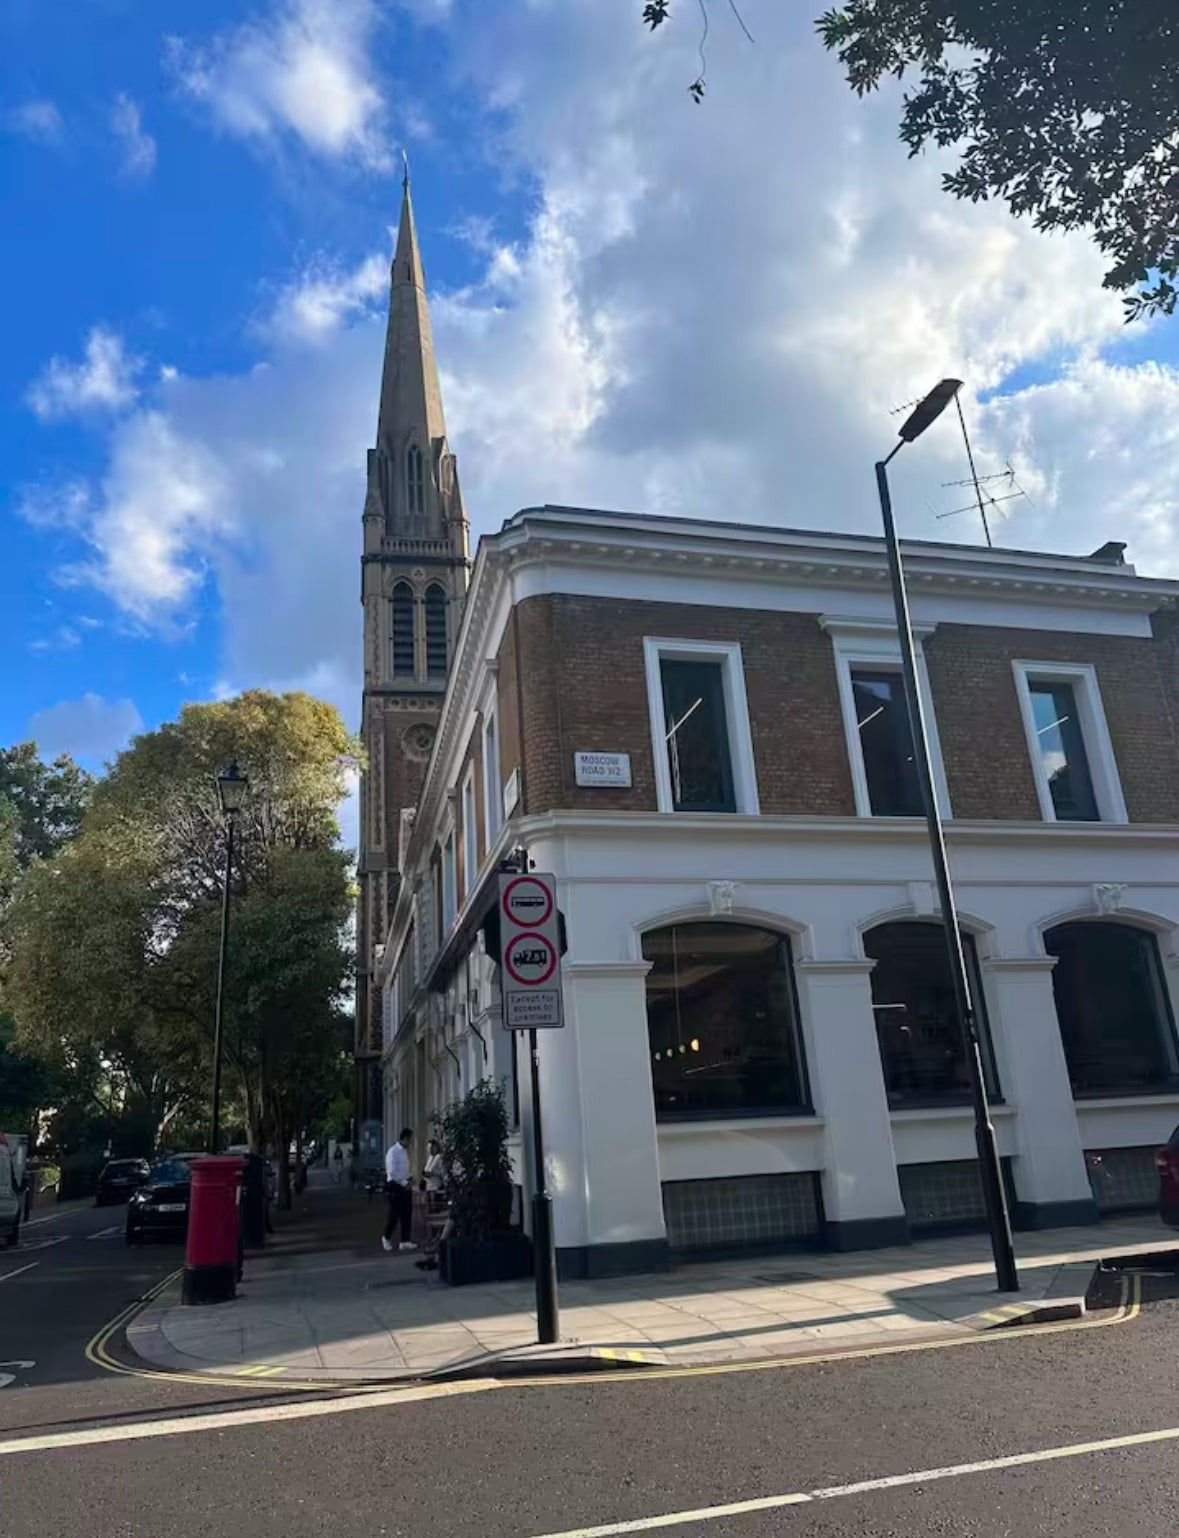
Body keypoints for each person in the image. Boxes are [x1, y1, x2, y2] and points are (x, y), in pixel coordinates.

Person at [381, 1127, 417, 1253]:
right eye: (411, 1139)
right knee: (394, 1214)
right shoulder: (393, 1152)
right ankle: (386, 1238)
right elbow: (392, 1172)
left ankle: (405, 1240)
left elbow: (404, 1169)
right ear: (405, 1138)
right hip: (395, 1186)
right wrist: (404, 1182)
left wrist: (410, 1178)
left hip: (405, 1185)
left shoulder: (404, 1152)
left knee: (407, 1214)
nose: (412, 1142)